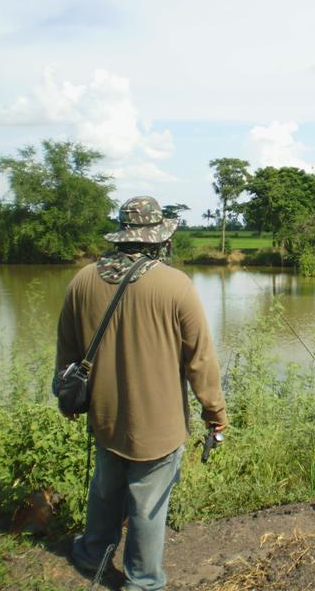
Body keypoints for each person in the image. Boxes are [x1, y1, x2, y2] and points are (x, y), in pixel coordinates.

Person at [56, 196, 227, 590]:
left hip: (104, 415)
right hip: (159, 425)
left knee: (105, 487)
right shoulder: (176, 286)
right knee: (148, 506)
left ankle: (92, 551)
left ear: (121, 237)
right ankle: (143, 580)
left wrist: (65, 398)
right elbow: (201, 362)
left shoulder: (82, 280)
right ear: (158, 241)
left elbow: (66, 350)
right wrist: (215, 413)